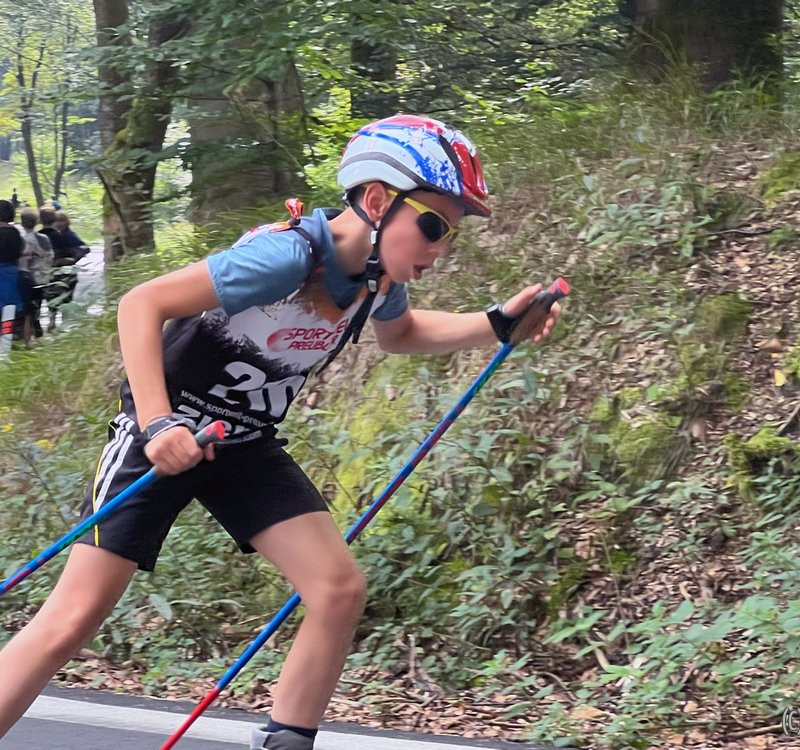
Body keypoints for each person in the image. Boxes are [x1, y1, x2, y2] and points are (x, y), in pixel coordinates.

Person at [0, 114, 562, 749]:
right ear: (378, 201)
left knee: (338, 589)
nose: (440, 246)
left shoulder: (375, 279)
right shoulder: (287, 258)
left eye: (450, 233)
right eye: (433, 226)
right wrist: (157, 422)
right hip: (159, 442)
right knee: (72, 618)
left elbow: (400, 334)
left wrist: (496, 323)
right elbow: (141, 304)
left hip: (243, 446)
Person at [37, 207, 76, 331]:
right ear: (54, 220)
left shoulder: (38, 236)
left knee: (50, 296)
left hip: (46, 272)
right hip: (62, 272)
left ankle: (52, 321)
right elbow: (72, 253)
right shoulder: (61, 236)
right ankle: (64, 323)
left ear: (39, 220)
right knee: (64, 297)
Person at [18, 210, 54, 338]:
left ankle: (36, 334)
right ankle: (40, 333)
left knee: (32, 310)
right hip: (45, 277)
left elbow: (25, 262)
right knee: (39, 306)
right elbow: (50, 256)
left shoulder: (25, 240)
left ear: (22, 223)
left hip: (32, 278)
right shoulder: (44, 238)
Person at [0, 199, 29, 340]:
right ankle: (8, 338)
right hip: (13, 274)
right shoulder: (16, 233)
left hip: (3, 274)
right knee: (10, 311)